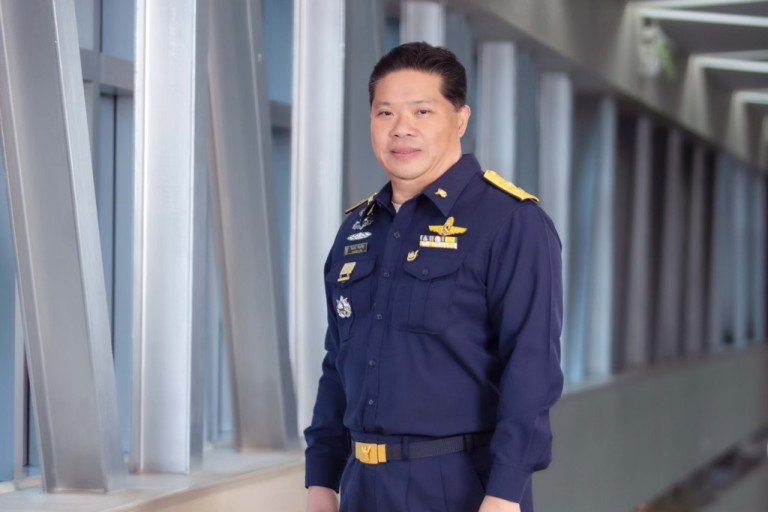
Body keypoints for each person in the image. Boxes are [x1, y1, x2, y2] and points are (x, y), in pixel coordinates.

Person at [304, 41, 563, 512]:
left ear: (460, 119)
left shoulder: (509, 221)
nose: (401, 128)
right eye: (385, 113)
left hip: (459, 486)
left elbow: (531, 367)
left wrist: (505, 494)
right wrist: (321, 479)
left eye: (422, 111)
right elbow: (337, 363)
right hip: (362, 485)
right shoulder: (358, 229)